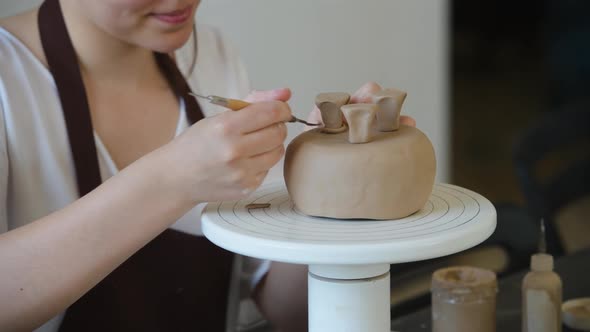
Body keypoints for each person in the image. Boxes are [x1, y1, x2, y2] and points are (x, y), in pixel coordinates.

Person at [0, 0, 415, 331]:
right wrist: (170, 182)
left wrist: (325, 194)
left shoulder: (211, 53)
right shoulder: (8, 78)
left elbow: (283, 311)